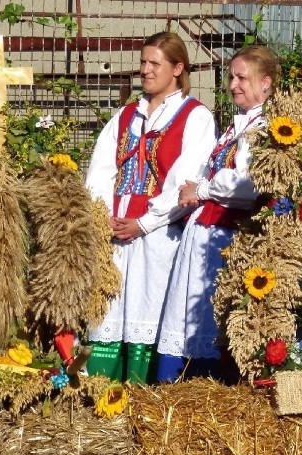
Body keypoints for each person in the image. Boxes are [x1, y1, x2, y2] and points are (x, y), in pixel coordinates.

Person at [83, 31, 217, 384]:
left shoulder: (195, 116)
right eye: (143, 62)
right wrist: (101, 217)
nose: (145, 70)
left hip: (160, 233)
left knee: (151, 306)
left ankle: (144, 392)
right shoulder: (127, 116)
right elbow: (100, 171)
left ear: (177, 68)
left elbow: (185, 179)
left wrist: (144, 222)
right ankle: (102, 392)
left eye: (154, 63)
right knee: (108, 306)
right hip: (115, 229)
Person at [154, 45, 280, 383]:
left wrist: (204, 189)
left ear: (266, 83)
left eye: (242, 78)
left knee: (206, 313)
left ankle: (205, 381)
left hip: (224, 237)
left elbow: (250, 183)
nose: (233, 84)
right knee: (185, 314)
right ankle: (173, 385)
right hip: (205, 232)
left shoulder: (266, 127)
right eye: (231, 77)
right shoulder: (239, 124)